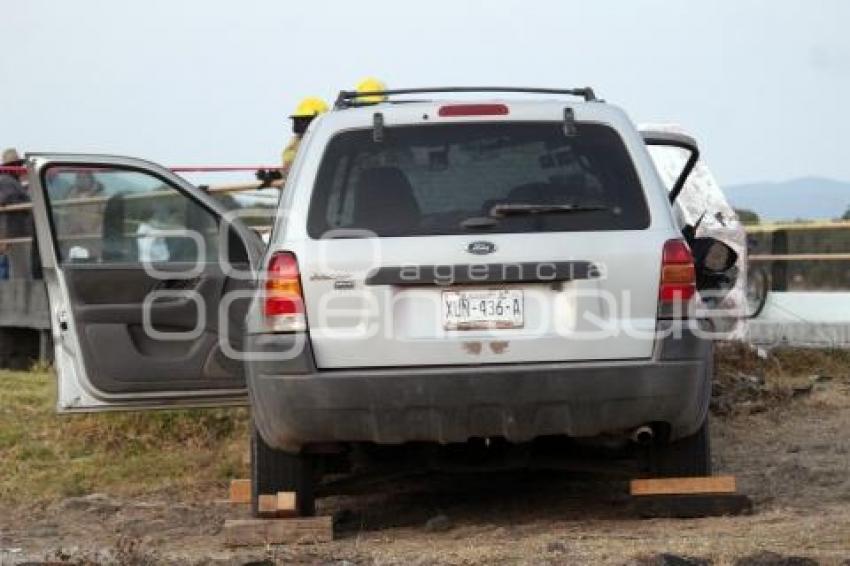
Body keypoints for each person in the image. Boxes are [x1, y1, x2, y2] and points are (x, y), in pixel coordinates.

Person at [0, 149, 31, 280]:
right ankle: (21, 295)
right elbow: (6, 200)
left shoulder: (12, 181)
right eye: (16, 164)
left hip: (15, 231)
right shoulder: (6, 181)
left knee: (15, 268)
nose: (19, 167)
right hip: (14, 231)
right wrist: (27, 203)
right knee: (19, 270)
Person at [281, 97, 329, 175]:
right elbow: (289, 172)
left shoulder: (328, 141)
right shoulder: (295, 144)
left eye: (304, 119)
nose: (299, 124)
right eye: (297, 120)